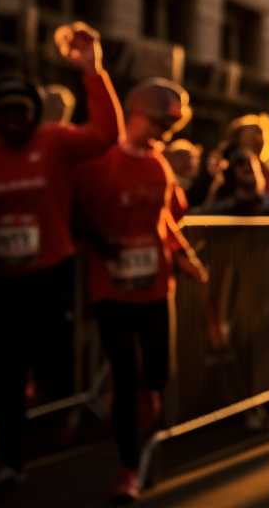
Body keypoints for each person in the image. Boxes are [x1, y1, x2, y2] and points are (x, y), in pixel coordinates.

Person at [0, 23, 121, 495]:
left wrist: (92, 72)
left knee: (54, 364)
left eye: (22, 112)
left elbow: (104, 135)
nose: (14, 121)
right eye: (5, 113)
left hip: (51, 272)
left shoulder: (53, 142)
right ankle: (14, 457)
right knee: (4, 370)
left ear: (34, 113)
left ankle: (54, 431)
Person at [73, 79, 208, 503]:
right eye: (159, 124)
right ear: (136, 113)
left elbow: (165, 223)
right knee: (126, 377)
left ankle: (142, 413)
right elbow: (76, 212)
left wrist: (184, 255)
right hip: (110, 289)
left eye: (169, 127)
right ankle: (128, 468)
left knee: (157, 374)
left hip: (155, 289)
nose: (164, 134)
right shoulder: (99, 162)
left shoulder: (158, 166)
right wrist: (100, 242)